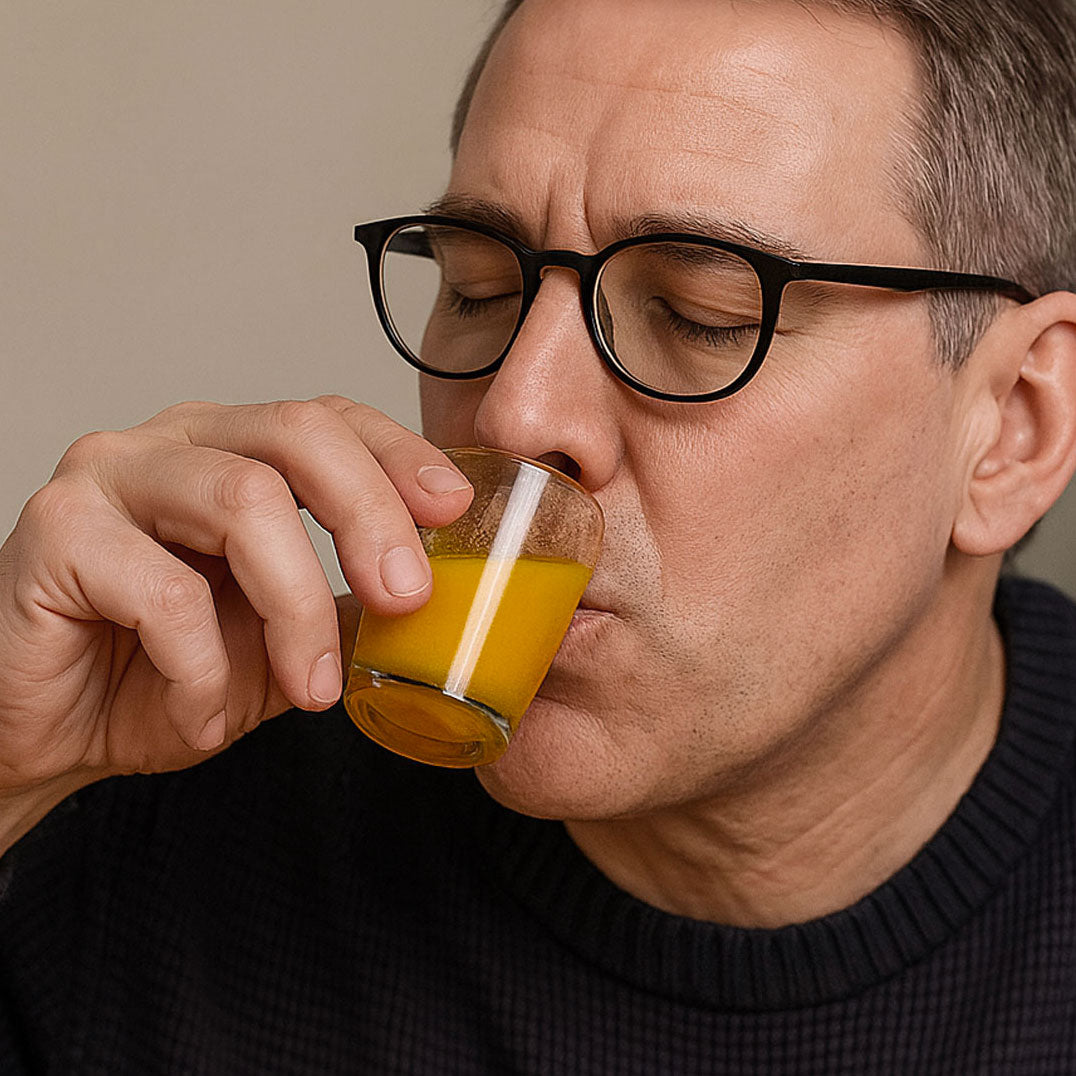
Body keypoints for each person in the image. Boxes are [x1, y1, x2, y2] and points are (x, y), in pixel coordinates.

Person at [2, 0, 1075, 1070]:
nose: (514, 414)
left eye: (703, 314)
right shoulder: (150, 806)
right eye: (478, 287)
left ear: (1012, 429)